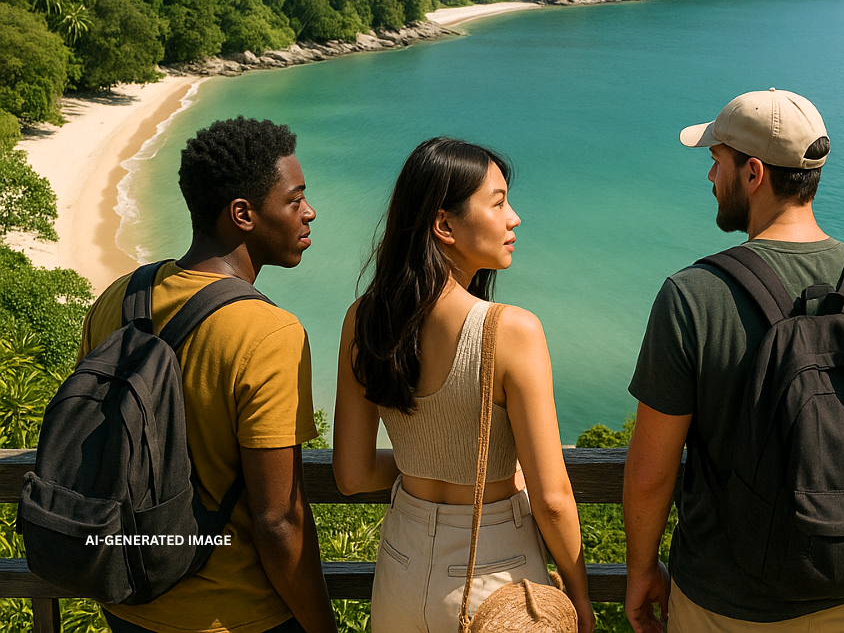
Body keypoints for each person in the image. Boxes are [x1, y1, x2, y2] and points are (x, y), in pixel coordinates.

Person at [624, 88, 844, 633]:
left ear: (753, 173)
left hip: (725, 605)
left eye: (717, 162)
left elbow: (652, 474)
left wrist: (642, 569)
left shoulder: (693, 295)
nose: (710, 177)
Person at [78, 117, 335, 633]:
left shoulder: (119, 297)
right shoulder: (270, 333)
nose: (309, 212)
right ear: (243, 214)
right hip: (233, 614)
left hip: (127, 600)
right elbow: (278, 519)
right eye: (294, 200)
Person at [331, 137, 593, 633]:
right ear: (444, 225)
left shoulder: (363, 320)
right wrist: (579, 596)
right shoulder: (510, 330)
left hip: (400, 569)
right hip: (494, 574)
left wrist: (426, 462)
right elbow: (552, 499)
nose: (514, 218)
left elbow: (352, 474)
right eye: (498, 203)